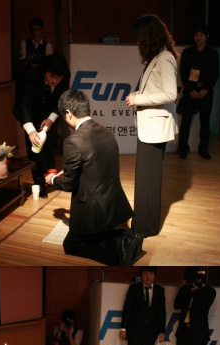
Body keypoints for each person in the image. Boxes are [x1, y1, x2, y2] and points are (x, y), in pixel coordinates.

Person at [45, 90, 143, 266]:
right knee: (97, 237)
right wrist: (68, 172)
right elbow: (93, 167)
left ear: (68, 112)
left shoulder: (73, 141)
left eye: (64, 116)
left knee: (71, 245)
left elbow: (68, 185)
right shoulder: (106, 131)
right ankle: (127, 237)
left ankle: (120, 249)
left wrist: (52, 180)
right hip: (113, 202)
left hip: (93, 209)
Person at [125, 15, 178, 238]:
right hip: (150, 128)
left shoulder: (165, 58)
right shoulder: (157, 57)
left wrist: (139, 99)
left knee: (149, 179)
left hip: (155, 129)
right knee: (146, 178)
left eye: (140, 37)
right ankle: (144, 224)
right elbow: (156, 89)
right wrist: (138, 94)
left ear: (149, 36)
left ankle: (146, 226)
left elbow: (170, 94)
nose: (138, 42)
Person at [13, 53, 70, 198]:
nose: (54, 80)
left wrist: (51, 118)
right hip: (31, 114)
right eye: (51, 76)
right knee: (35, 150)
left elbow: (61, 99)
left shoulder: (65, 76)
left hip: (49, 113)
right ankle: (39, 184)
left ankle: (51, 179)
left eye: (58, 77)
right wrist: (31, 130)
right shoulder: (31, 77)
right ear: (45, 71)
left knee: (49, 147)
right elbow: (24, 104)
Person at [177, 25, 219, 160]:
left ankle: (203, 149)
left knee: (205, 121)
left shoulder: (213, 53)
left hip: (206, 92)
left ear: (207, 36)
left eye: (201, 35)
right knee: (186, 121)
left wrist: (206, 90)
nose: (198, 38)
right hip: (191, 91)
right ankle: (183, 149)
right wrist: (191, 90)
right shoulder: (187, 52)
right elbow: (183, 73)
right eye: (196, 35)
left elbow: (216, 75)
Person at [119, 267, 166, 345]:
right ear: (141, 275)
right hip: (134, 332)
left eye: (151, 274)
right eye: (145, 273)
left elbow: (161, 312)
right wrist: (123, 328)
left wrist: (162, 331)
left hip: (150, 333)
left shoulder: (159, 290)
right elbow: (127, 309)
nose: (148, 277)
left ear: (154, 275)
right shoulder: (134, 289)